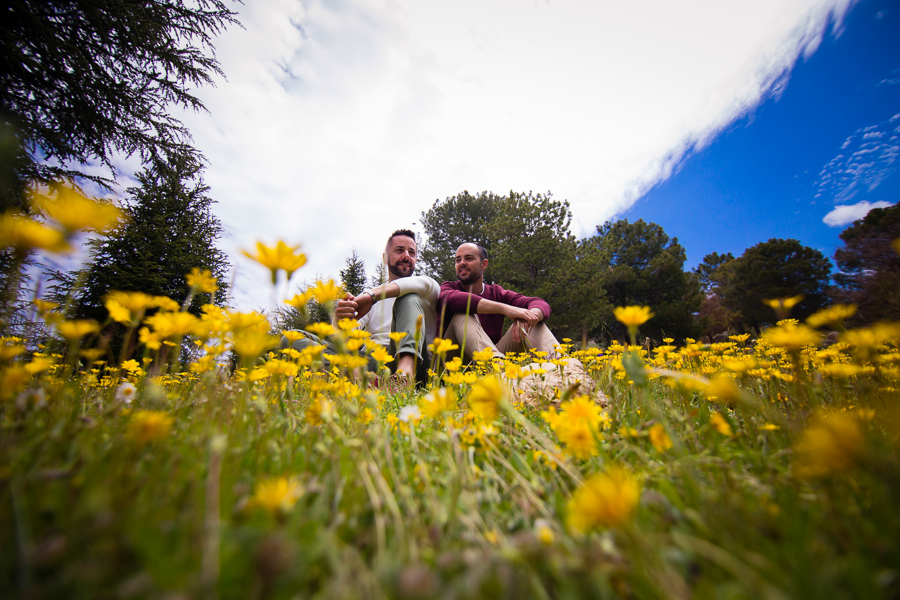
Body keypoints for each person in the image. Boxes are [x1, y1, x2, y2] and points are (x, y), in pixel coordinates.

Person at [281, 229, 439, 384]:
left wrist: (369, 296)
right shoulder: (368, 296)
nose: (406, 255)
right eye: (399, 250)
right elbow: (346, 336)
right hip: (372, 361)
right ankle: (363, 380)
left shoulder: (427, 287)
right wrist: (340, 317)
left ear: (416, 259)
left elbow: (418, 284)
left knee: (408, 296)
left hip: (417, 364)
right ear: (385, 258)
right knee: (290, 339)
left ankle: (403, 378)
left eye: (412, 252)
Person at [438, 242, 561, 361]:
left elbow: (539, 303)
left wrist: (529, 317)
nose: (462, 263)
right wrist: (505, 309)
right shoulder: (448, 288)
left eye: (469, 258)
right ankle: (497, 369)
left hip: (492, 357)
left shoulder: (496, 293)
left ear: (484, 264)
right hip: (452, 363)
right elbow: (451, 299)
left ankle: (563, 369)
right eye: (458, 260)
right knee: (462, 313)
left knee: (532, 321)